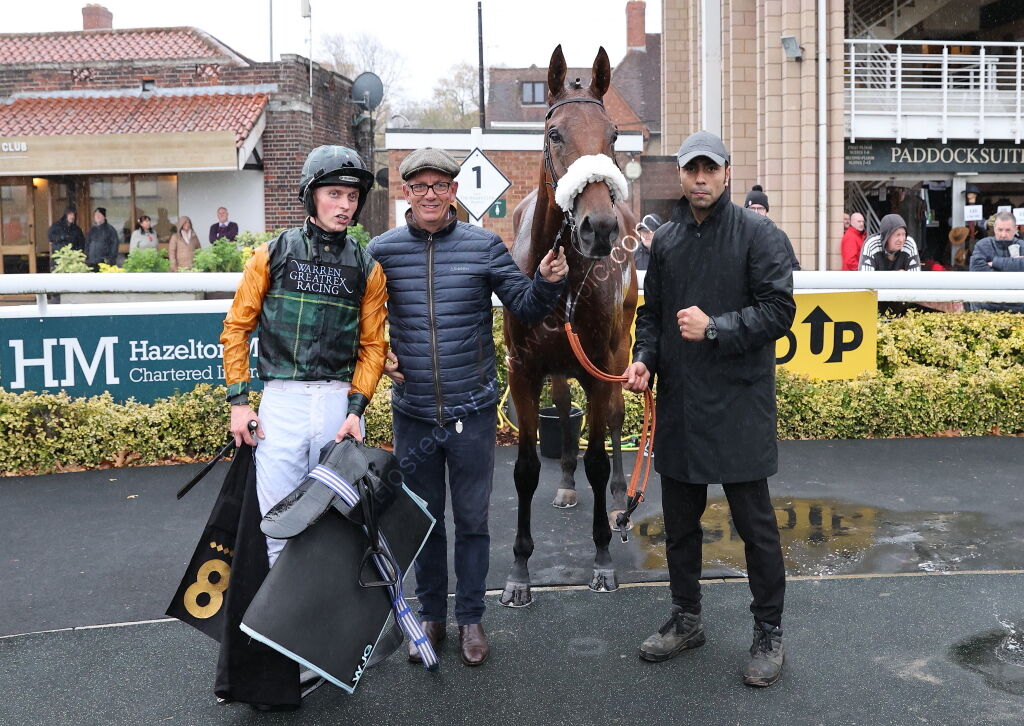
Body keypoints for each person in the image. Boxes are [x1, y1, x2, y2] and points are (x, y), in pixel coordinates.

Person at [367, 147, 568, 668]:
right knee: (425, 521)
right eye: (420, 186)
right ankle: (432, 619)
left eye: (440, 186)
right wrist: (375, 355)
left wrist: (548, 282)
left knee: (473, 521)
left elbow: (524, 306)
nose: (430, 195)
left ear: (454, 192)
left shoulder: (483, 246)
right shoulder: (382, 251)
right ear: (406, 192)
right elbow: (360, 323)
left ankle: (471, 619)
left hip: (471, 413)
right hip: (412, 414)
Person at [622, 130, 796, 688]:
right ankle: (687, 618)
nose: (700, 178)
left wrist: (715, 328)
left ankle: (769, 630)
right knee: (679, 527)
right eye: (691, 169)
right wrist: (645, 358)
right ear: (680, 175)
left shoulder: (759, 233)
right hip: (680, 404)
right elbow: (652, 314)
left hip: (740, 401)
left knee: (756, 528)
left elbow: (778, 312)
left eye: (710, 169)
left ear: (725, 173)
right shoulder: (666, 241)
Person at [218, 145, 387, 710]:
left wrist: (357, 409)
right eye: (334, 194)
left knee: (334, 529)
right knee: (276, 527)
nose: (345, 205)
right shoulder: (270, 254)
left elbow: (372, 346)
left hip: (336, 404)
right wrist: (241, 402)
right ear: (312, 195)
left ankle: (321, 643)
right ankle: (279, 652)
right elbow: (236, 328)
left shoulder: (367, 265)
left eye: (352, 196)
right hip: (284, 404)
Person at [968, 211, 1024, 313]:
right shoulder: (983, 245)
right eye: (1000, 230)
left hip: (1018, 308)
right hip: (986, 306)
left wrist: (995, 262)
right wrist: (1014, 266)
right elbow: (977, 270)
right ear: (994, 229)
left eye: (1008, 230)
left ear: (1016, 229)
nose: (1003, 234)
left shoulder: (1022, 245)